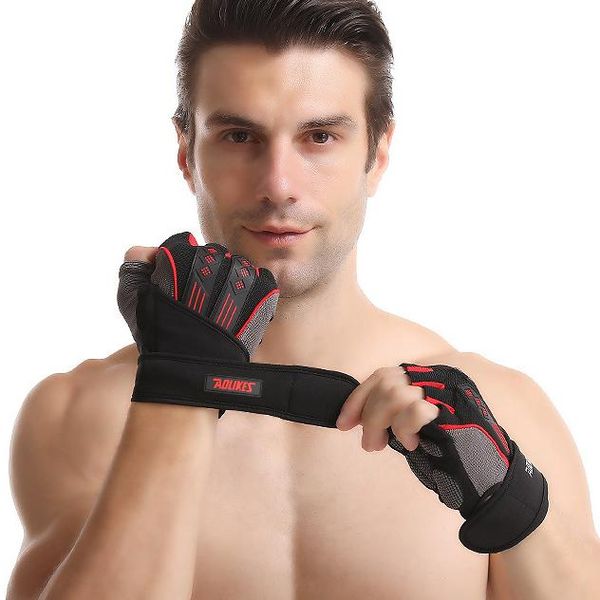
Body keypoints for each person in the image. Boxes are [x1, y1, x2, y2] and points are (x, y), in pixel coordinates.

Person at [8, 1, 599, 598]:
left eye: (319, 137)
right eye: (239, 136)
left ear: (377, 154)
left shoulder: (501, 419)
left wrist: (510, 504)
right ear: (187, 153)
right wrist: (177, 389)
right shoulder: (83, 416)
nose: (279, 185)